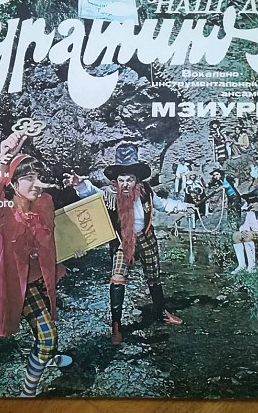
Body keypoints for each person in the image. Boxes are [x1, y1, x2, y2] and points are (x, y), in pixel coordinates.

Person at [0, 133, 77, 397]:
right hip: (19, 284)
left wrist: (72, 248)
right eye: (29, 178)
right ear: (12, 183)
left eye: (39, 177)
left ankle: (49, 357)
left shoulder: (44, 203)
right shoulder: (2, 212)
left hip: (43, 276)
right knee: (47, 338)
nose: (38, 183)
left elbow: (54, 234)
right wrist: (3, 160)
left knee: (49, 322)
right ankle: (28, 391)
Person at [65, 144, 192, 344]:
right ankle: (116, 325)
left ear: (137, 180)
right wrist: (79, 184)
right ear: (116, 181)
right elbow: (90, 193)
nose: (125, 184)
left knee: (154, 276)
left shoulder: (146, 191)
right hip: (122, 241)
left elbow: (163, 205)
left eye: (130, 180)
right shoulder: (110, 194)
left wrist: (183, 207)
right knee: (117, 278)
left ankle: (160, 311)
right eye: (121, 180)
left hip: (146, 237)